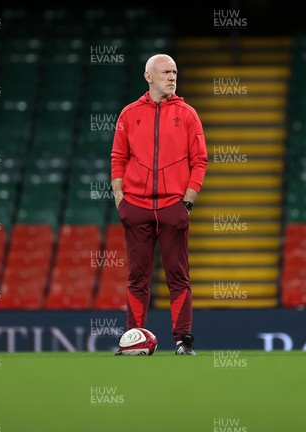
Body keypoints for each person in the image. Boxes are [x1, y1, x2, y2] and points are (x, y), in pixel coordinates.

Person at [110, 54, 208, 355]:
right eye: (166, 72)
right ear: (148, 77)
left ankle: (183, 341)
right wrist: (120, 200)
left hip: (172, 208)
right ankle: (135, 339)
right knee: (137, 277)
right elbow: (118, 158)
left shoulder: (188, 114)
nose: (172, 76)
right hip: (136, 207)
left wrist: (187, 202)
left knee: (178, 277)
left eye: (175, 72)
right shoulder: (129, 114)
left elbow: (200, 160)